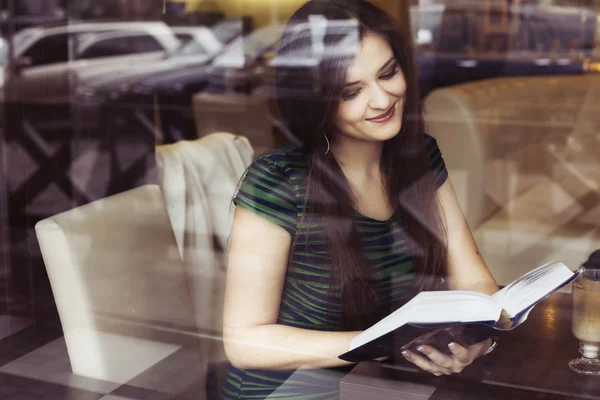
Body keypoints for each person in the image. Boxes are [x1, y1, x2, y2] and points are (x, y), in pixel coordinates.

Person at [221, 1, 499, 399]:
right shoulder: (280, 181)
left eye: (388, 74)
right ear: (316, 102)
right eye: (352, 91)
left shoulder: (418, 156)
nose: (382, 100)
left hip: (377, 387)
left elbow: (473, 279)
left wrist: (474, 339)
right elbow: (244, 341)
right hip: (285, 393)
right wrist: (380, 342)